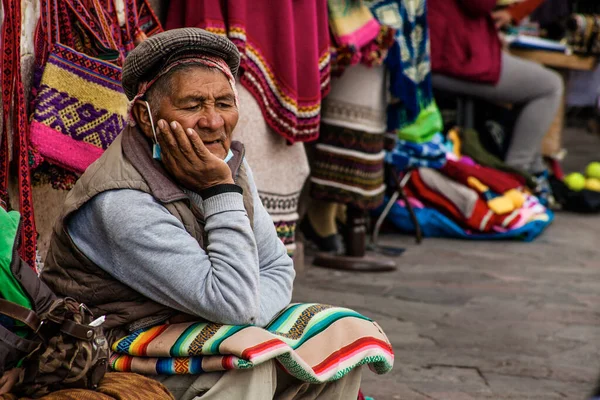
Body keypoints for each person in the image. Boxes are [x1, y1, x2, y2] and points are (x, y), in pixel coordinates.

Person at [40, 28, 362, 399]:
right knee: (245, 364)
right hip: (112, 347)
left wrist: (247, 316)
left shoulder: (227, 164)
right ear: (146, 119)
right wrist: (219, 192)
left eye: (224, 104)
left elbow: (276, 267)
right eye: (192, 106)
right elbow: (231, 304)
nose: (212, 121)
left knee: (336, 350)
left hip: (199, 327)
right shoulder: (119, 199)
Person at [428, 0, 562, 204]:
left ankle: (534, 171)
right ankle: (515, 175)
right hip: (449, 56)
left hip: (439, 50)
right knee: (549, 86)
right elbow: (479, 5)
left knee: (536, 76)